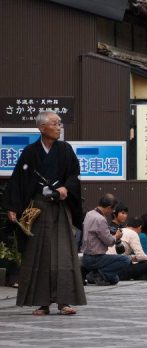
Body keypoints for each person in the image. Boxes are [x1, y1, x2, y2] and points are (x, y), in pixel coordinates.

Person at [4, 110, 86, 315]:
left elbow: (75, 174)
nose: (59, 127)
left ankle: (64, 302)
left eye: (60, 124)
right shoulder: (30, 152)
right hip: (38, 208)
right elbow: (18, 180)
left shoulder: (66, 150)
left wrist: (66, 188)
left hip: (60, 206)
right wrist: (13, 207)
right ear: (42, 128)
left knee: (63, 254)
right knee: (39, 255)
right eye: (55, 124)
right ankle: (43, 303)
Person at [82, 195, 131, 286]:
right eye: (112, 210)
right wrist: (116, 236)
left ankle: (95, 274)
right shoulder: (100, 219)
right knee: (125, 260)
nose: (112, 212)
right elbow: (109, 241)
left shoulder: (89, 214)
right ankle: (96, 275)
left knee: (115, 279)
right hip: (96, 257)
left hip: (86, 256)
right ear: (109, 207)